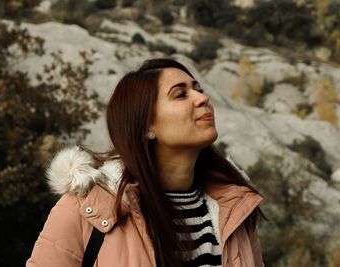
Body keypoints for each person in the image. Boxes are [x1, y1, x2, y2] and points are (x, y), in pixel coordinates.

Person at [26, 58, 264, 267]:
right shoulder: (89, 208)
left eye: (198, 89)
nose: (203, 98)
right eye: (180, 94)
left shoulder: (235, 208)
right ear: (146, 126)